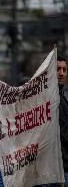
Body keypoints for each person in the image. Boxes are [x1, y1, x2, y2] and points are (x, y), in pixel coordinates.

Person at [57, 55, 68, 187]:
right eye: (58, 69)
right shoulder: (49, 99)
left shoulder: (62, 98)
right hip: (59, 171)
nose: (61, 73)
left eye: (64, 70)